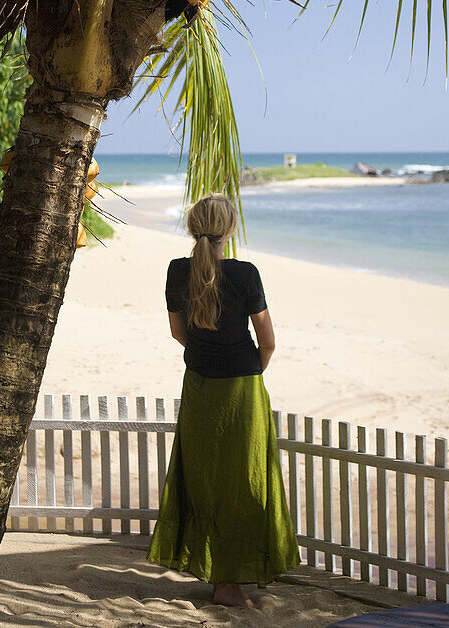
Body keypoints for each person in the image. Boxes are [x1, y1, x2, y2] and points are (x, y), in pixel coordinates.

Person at [147, 193, 300, 608]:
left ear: (194, 226)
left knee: (205, 480)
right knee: (245, 481)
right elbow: (267, 341)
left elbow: (179, 333)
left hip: (199, 385)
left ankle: (219, 575)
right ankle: (230, 584)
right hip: (241, 389)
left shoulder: (178, 271)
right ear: (229, 230)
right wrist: (251, 371)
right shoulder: (246, 273)